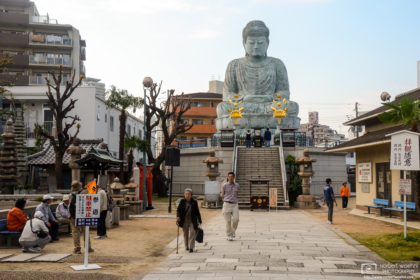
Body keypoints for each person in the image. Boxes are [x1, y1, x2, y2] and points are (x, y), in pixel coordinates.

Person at [69, 180, 94, 254]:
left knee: (75, 232)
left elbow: (69, 206)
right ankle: (88, 247)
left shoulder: (71, 194)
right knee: (86, 231)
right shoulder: (85, 193)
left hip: (73, 216)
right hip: (83, 214)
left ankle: (77, 248)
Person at [176, 188, 202, 253]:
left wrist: (199, 220)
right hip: (184, 220)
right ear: (184, 195)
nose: (187, 195)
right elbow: (178, 210)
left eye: (188, 194)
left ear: (191, 195)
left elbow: (197, 212)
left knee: (192, 233)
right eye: (186, 194)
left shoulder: (194, 202)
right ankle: (186, 246)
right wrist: (178, 216)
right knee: (185, 233)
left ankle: (191, 247)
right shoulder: (182, 201)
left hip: (192, 220)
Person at [220, 172, 239, 241]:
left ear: (234, 177)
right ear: (228, 177)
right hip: (227, 204)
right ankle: (229, 235)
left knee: (236, 219)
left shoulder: (237, 185)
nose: (230, 178)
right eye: (229, 176)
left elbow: (237, 193)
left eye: (232, 176)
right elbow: (222, 194)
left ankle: (233, 231)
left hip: (234, 204)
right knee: (228, 221)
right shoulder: (224, 185)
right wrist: (225, 199)